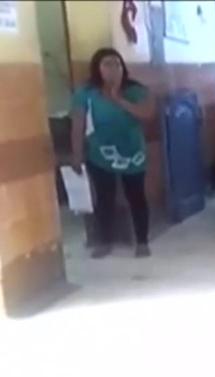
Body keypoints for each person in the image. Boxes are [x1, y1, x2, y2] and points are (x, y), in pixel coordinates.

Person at [70, 47, 156, 259]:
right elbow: (78, 124)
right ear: (97, 69)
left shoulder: (135, 90)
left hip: (133, 153)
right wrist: (76, 153)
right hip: (100, 154)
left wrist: (119, 99)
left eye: (117, 64)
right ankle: (104, 241)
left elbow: (148, 113)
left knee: (136, 197)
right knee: (104, 198)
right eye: (107, 64)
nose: (113, 69)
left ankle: (142, 242)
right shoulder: (86, 93)